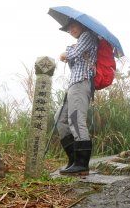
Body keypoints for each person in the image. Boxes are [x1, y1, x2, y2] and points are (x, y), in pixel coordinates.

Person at [55, 19, 98, 176]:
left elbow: (73, 54)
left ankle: (82, 164)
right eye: (69, 28)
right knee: (59, 120)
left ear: (82, 25)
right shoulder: (80, 41)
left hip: (81, 84)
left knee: (76, 120)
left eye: (73, 26)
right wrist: (71, 51)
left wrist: (65, 52)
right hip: (73, 86)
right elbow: (75, 59)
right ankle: (73, 159)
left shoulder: (88, 36)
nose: (71, 30)